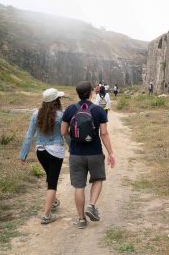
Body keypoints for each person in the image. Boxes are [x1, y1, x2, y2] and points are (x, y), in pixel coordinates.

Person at [61, 81, 116, 229]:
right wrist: (110, 152)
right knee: (98, 179)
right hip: (95, 153)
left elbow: (63, 131)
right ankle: (91, 205)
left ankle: (81, 220)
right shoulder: (98, 110)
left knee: (79, 186)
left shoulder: (70, 109)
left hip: (76, 154)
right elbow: (103, 133)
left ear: (77, 93)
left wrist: (72, 141)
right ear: (92, 93)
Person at [19, 88, 66, 225]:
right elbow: (65, 134)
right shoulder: (60, 115)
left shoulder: (35, 114)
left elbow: (29, 135)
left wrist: (23, 155)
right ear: (55, 101)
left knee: (49, 175)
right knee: (53, 182)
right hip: (55, 151)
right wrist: (74, 149)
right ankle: (46, 215)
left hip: (40, 151)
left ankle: (54, 201)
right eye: (59, 98)